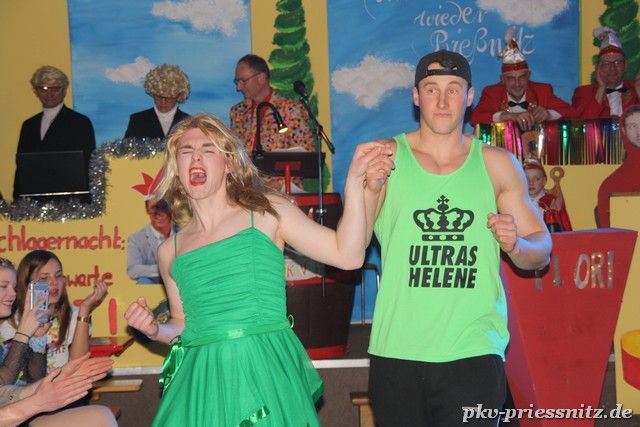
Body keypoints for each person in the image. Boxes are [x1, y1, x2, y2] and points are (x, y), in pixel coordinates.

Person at [124, 113, 392, 426]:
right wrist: (155, 330)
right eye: (186, 151)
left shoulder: (267, 212)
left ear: (228, 164)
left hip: (263, 371)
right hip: (202, 385)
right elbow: (183, 324)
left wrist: (356, 183)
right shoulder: (169, 250)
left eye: (208, 149)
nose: (196, 157)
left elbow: (348, 256)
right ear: (176, 167)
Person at [361, 50, 552, 426]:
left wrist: (516, 245)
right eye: (432, 89)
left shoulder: (497, 163)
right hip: (397, 349)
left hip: (473, 350)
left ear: (470, 96)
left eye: (453, 89)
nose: (442, 100)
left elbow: (541, 249)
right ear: (416, 96)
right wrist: (366, 190)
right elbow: (352, 247)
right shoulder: (385, 159)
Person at [0, 257, 116, 426]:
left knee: (101, 415)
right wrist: (23, 333)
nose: (12, 294)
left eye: (14, 287)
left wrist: (38, 341)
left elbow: (32, 379)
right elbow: (5, 383)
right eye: (4, 286)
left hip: (30, 405)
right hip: (19, 410)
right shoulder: (10, 322)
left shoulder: (68, 316)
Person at [3, 251, 107, 373]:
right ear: (27, 284)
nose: (54, 282)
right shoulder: (11, 320)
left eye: (58, 275)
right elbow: (10, 374)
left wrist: (84, 310)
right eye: (44, 278)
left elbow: (78, 366)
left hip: (66, 384)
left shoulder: (74, 315)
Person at [12, 66, 96, 202]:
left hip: (71, 201)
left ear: (64, 91)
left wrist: (86, 202)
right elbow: (22, 165)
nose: (49, 93)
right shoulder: (28, 125)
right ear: (36, 92)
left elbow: (88, 164)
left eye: (55, 88)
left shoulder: (80, 122)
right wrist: (18, 199)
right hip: (35, 201)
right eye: (44, 88)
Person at [230, 54, 314, 189]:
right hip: (246, 191)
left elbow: (304, 159)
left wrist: (274, 185)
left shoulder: (291, 110)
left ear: (261, 78)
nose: (238, 87)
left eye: (243, 81)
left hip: (282, 192)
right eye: (237, 81)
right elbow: (234, 156)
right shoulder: (237, 112)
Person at [470, 27, 574, 130]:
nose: (517, 84)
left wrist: (548, 114)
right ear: (502, 79)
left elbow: (572, 112)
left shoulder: (543, 91)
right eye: (511, 78)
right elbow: (475, 117)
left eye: (522, 77)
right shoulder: (492, 93)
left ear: (529, 75)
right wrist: (509, 116)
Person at [572, 27, 640, 119]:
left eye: (618, 62)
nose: (612, 68)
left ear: (625, 66)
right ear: (597, 68)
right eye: (606, 63)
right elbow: (582, 124)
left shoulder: (636, 88)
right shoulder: (583, 93)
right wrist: (601, 88)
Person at [128, 172, 179, 284]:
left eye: (164, 207)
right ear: (147, 209)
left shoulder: (185, 234)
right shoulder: (137, 238)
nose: (160, 213)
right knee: (143, 281)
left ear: (172, 209)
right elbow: (132, 270)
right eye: (155, 208)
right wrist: (163, 269)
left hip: (183, 284)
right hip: (154, 286)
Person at [597, 104, 640, 228]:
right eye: (633, 126)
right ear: (624, 131)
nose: (639, 132)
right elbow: (609, 233)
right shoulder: (610, 185)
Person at [124, 64, 191, 140]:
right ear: (152, 93)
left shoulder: (189, 122)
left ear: (179, 96)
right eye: (158, 97)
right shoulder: (137, 120)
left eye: (169, 98)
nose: (163, 102)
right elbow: (127, 146)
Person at [523, 158, 572, 232]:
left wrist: (554, 214)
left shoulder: (551, 202)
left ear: (544, 181)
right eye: (526, 179)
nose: (531, 183)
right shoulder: (516, 202)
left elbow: (563, 230)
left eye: (536, 179)